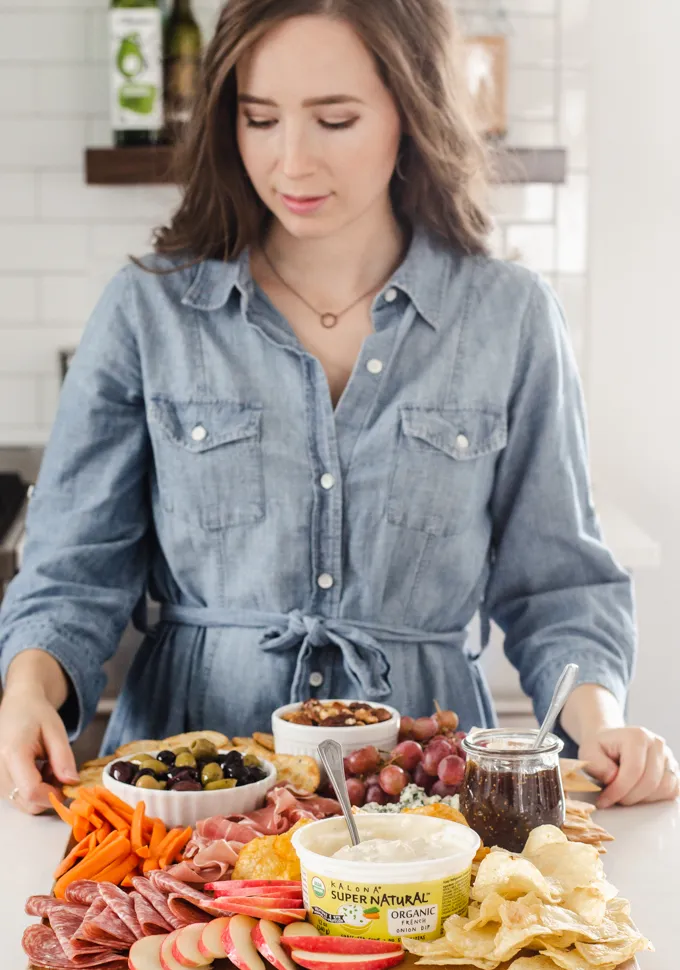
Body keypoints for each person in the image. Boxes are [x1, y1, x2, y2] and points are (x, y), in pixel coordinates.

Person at [0, 0, 677, 818]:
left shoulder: (510, 316)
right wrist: (32, 682)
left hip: (430, 807)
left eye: (335, 119)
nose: (291, 161)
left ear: (411, 110)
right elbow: (75, 566)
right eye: (260, 118)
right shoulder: (149, 310)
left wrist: (598, 716)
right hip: (191, 799)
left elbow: (559, 583)